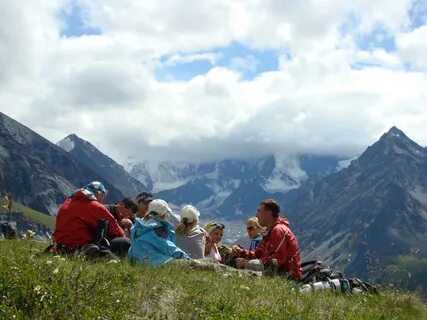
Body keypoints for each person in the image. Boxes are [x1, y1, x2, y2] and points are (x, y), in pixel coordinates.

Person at [53, 182, 130, 257]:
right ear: (99, 193)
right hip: (78, 248)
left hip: (59, 246)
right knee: (124, 242)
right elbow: (116, 230)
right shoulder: (96, 206)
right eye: (103, 196)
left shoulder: (67, 202)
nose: (103, 200)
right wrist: (126, 230)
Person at [232, 199, 302, 280]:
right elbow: (258, 254)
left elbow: (277, 259)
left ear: (268, 213)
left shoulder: (278, 230)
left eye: (259, 211)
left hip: (288, 275)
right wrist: (241, 252)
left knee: (248, 269)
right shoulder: (269, 232)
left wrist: (246, 264)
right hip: (277, 271)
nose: (256, 215)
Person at [128, 199, 189, 266]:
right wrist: (186, 258)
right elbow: (168, 247)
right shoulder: (158, 229)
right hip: (153, 261)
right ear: (163, 214)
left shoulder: (138, 225)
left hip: (135, 259)